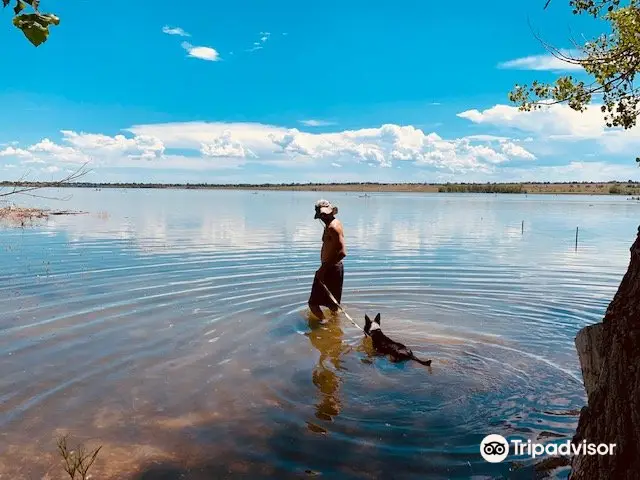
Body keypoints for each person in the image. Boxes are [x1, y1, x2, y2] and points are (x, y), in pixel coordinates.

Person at [308, 199, 347, 321]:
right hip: (332, 268)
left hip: (331, 268)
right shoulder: (330, 225)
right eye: (321, 214)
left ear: (331, 212)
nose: (323, 216)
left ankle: (323, 324)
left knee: (313, 304)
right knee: (333, 305)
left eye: (325, 213)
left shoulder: (333, 227)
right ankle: (335, 325)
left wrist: (323, 269)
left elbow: (342, 252)